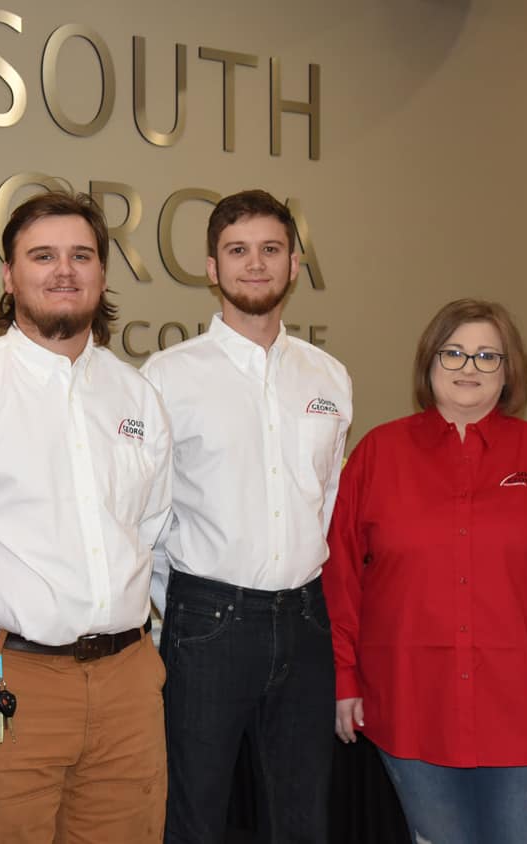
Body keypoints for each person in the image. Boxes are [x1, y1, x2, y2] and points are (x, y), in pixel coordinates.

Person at [0, 189, 173, 843]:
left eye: (82, 255)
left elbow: (152, 534)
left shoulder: (137, 395)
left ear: (103, 275)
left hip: (128, 686)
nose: (64, 270)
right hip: (6, 683)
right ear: (8, 276)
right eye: (43, 255)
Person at [323, 298, 527, 844]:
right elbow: (341, 580)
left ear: (509, 371)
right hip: (413, 707)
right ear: (429, 362)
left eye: (488, 356)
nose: (469, 367)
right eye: (455, 352)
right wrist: (344, 678)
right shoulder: (378, 455)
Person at [141, 189, 352, 843]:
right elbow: (146, 518)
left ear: (294, 264)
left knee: (302, 820)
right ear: (211, 267)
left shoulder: (328, 377)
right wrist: (168, 620)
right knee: (195, 818)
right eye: (237, 251)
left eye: (270, 250)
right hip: (207, 624)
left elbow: (330, 498)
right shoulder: (165, 379)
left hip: (307, 621)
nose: (254, 264)